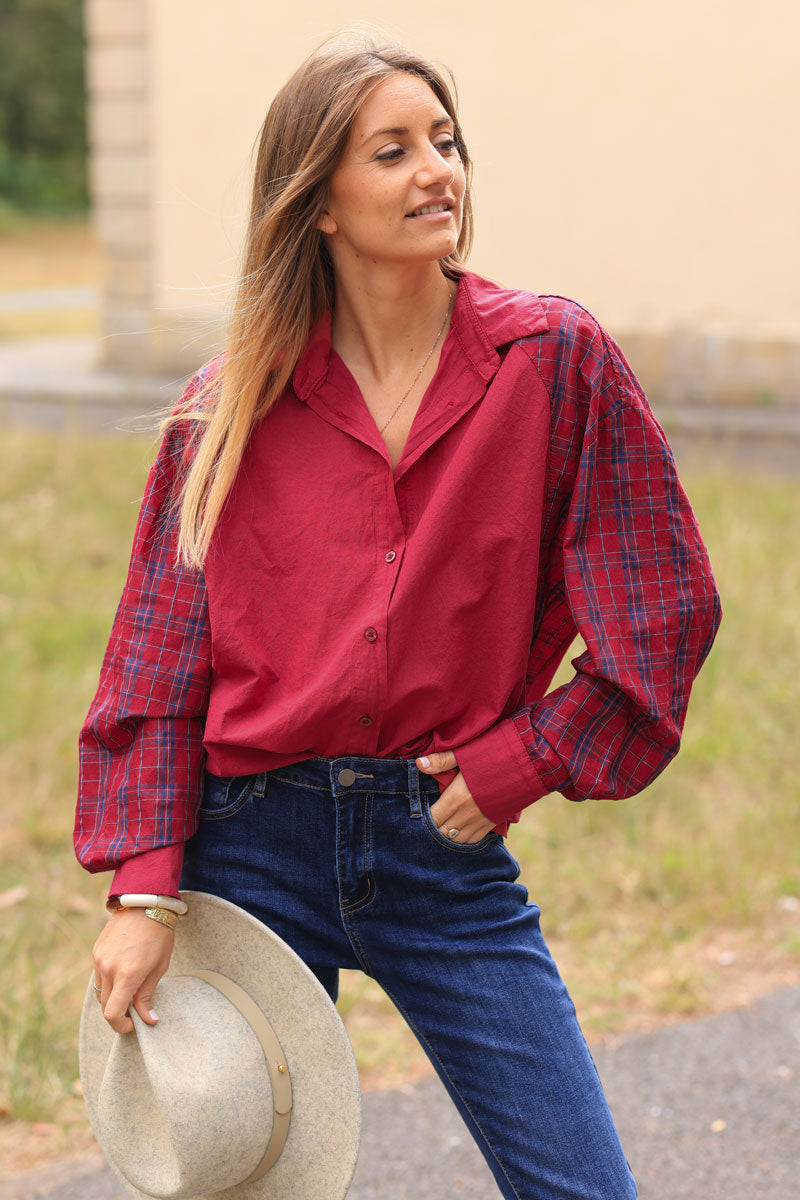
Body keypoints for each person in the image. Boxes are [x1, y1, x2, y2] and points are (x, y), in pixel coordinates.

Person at [75, 29, 722, 1200]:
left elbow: (660, 606)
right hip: (246, 847)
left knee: (580, 1188)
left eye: (445, 140)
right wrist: (142, 887)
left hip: (439, 843)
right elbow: (157, 664)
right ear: (318, 199)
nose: (437, 169)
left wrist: (525, 760)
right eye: (392, 150)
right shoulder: (223, 411)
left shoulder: (551, 361)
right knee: (242, 1181)